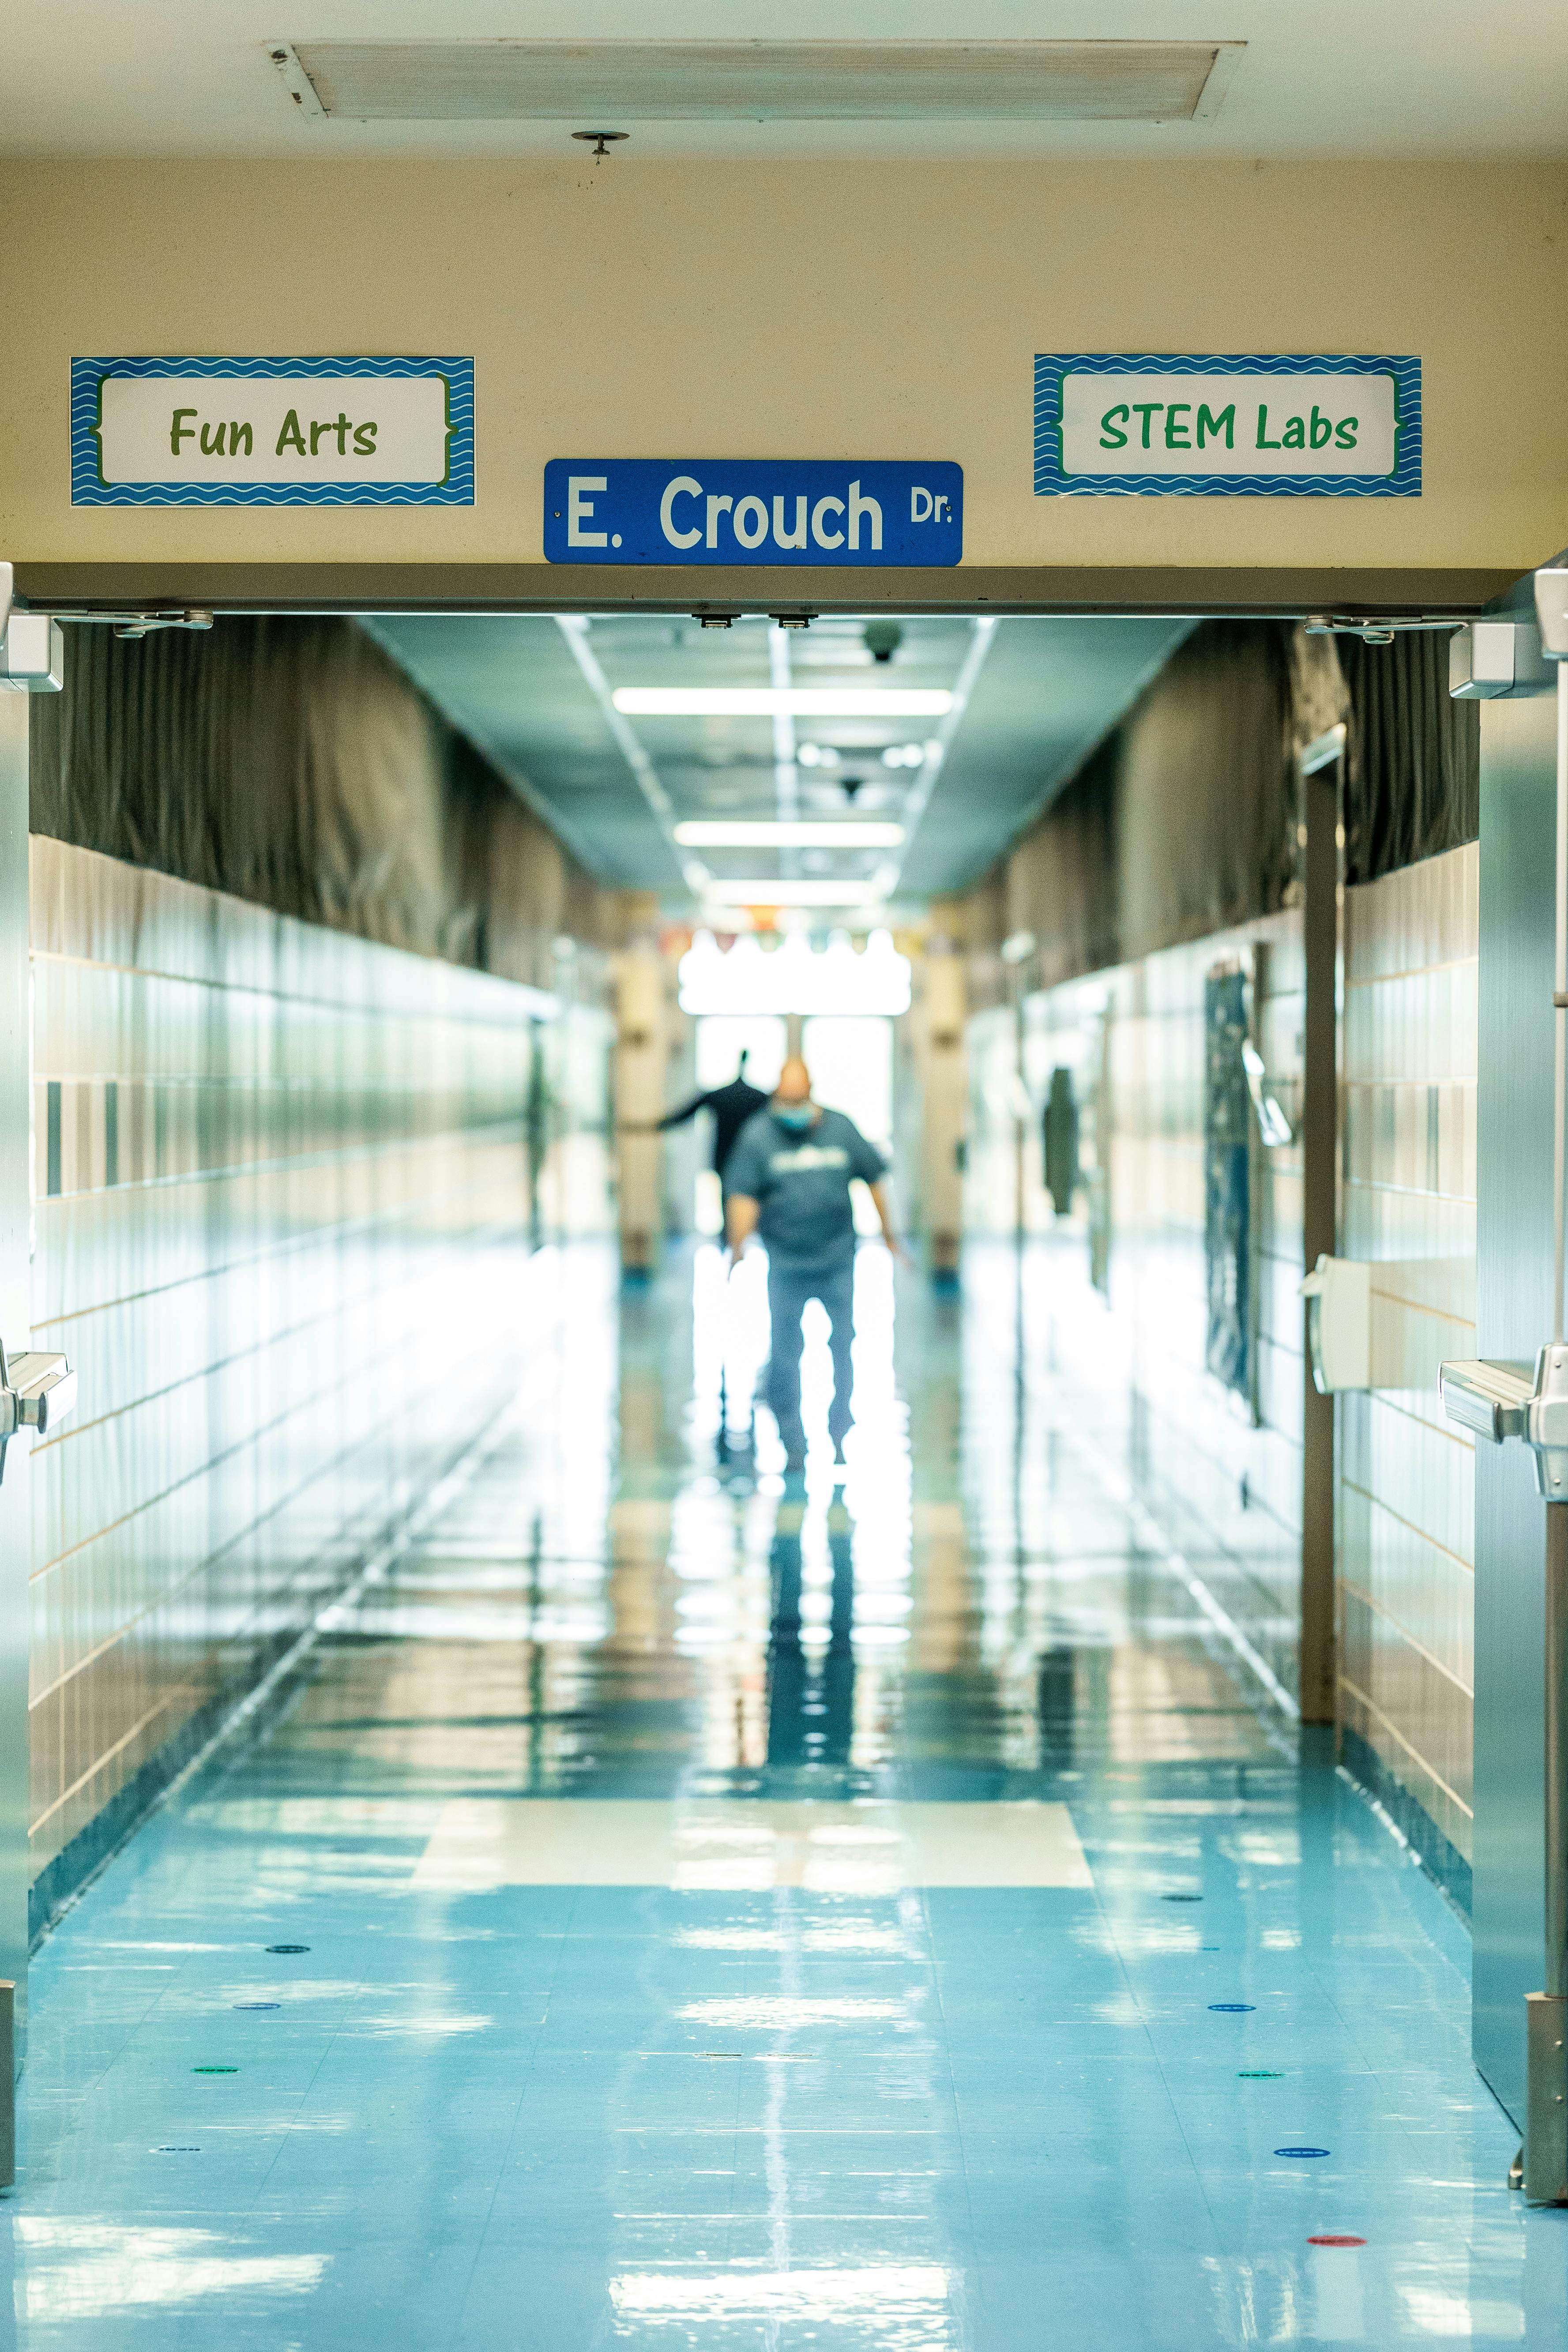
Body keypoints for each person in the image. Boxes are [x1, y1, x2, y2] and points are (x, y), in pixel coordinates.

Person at [723, 1057, 902, 1475]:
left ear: (812, 1091)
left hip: (837, 1259)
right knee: (786, 1349)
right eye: (785, 1098)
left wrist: (889, 1234)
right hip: (786, 1262)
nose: (792, 1106)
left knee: (843, 1342)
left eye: (798, 1097)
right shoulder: (759, 1135)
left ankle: (841, 1423)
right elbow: (743, 1193)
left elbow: (874, 1179)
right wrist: (737, 1247)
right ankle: (792, 1441)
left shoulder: (841, 1128)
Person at [653, 1051, 769, 1193]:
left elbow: (683, 1115)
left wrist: (652, 1126)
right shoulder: (759, 1098)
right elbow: (683, 1115)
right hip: (736, 1161)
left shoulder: (720, 1095)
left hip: (729, 1160)